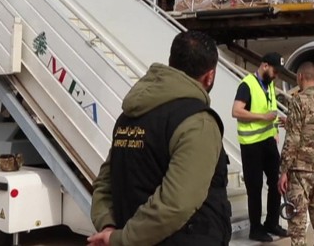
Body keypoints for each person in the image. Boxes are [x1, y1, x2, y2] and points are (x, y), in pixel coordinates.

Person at [88, 31, 231, 246]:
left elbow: (104, 183)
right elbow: (177, 204)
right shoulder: (197, 122)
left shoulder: (128, 117)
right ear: (210, 76)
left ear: (171, 63)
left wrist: (108, 226)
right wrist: (122, 239)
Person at [232, 52, 289, 242]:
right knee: (255, 187)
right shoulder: (247, 84)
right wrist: (263, 117)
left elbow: (270, 109)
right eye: (275, 71)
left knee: (276, 182)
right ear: (265, 66)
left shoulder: (269, 84)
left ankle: (272, 223)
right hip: (251, 144)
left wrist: (274, 130)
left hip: (268, 141)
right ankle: (255, 228)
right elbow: (236, 111)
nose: (276, 75)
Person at [278, 62, 314, 246]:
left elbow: (293, 139)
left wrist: (283, 171)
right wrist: (292, 122)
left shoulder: (297, 101)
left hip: (300, 170)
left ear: (300, 76)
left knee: (298, 224)